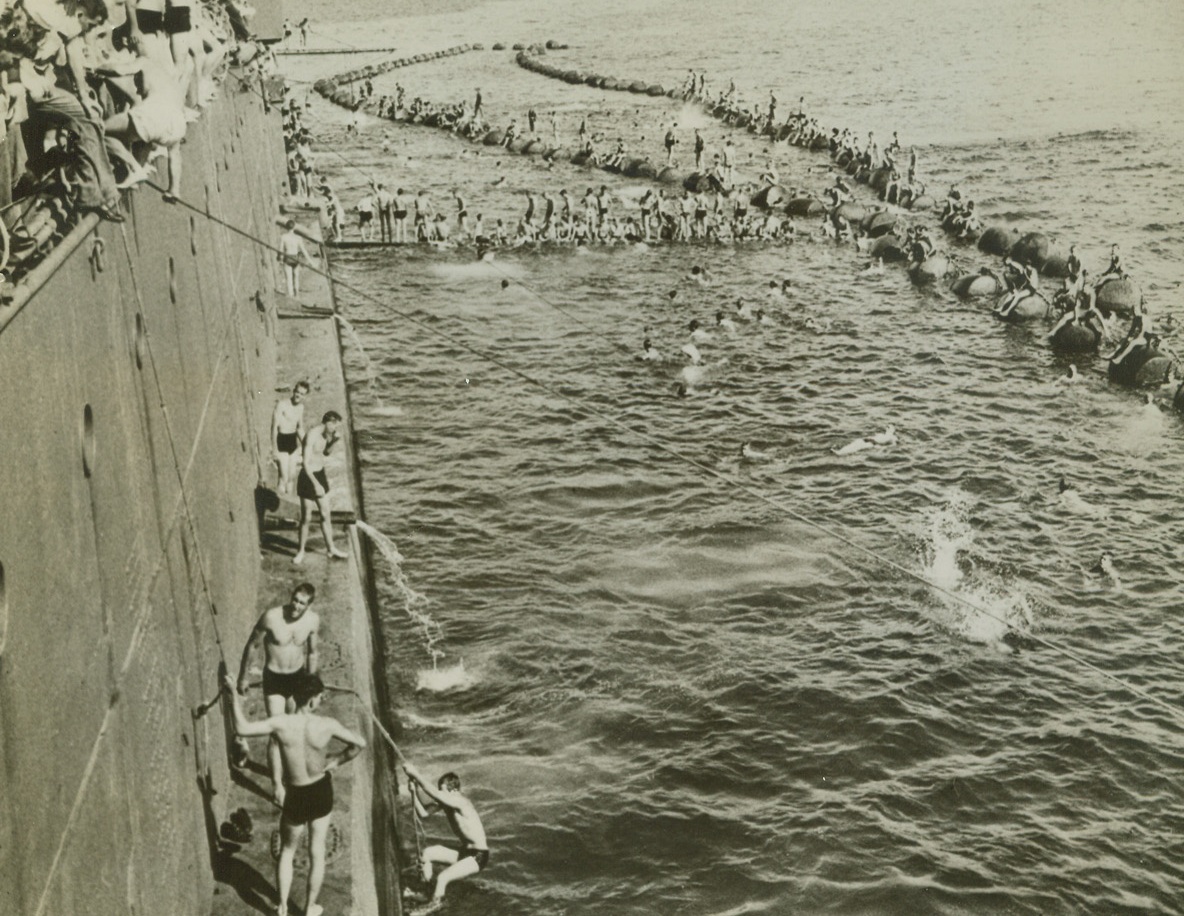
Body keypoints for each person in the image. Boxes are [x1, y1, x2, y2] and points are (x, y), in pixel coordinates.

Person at [225, 670, 365, 916]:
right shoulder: (326, 725)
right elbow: (359, 744)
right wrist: (337, 760)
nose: (321, 701)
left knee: (287, 851)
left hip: (296, 794)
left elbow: (242, 727)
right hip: (320, 790)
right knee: (317, 851)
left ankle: (281, 906)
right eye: (320, 697)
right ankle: (310, 907)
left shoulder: (281, 724)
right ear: (311, 699)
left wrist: (231, 697)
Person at [236, 582, 321, 800]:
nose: (296, 605)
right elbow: (253, 645)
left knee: (293, 730)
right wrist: (243, 677)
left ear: (309, 605)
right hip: (274, 679)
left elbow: (312, 652)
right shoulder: (272, 617)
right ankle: (277, 786)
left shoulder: (312, 621)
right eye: (294, 599)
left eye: (302, 603)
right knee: (276, 733)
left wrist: (311, 685)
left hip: (298, 678)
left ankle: (291, 773)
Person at [404, 762, 489, 911]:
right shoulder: (448, 802)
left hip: (478, 856)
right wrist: (415, 790)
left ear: (454, 789)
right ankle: (427, 893)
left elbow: (436, 795)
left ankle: (435, 905)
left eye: (442, 790)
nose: (440, 794)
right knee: (427, 854)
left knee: (443, 877)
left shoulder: (461, 801)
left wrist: (416, 773)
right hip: (465, 852)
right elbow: (423, 813)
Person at [294, 411, 350, 564]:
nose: (335, 429)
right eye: (335, 426)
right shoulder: (312, 435)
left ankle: (331, 548)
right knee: (306, 517)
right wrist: (316, 484)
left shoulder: (328, 434)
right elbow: (305, 464)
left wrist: (333, 441)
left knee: (326, 515)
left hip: (320, 474)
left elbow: (325, 453)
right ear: (328, 422)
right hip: (308, 477)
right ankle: (300, 551)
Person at [271, 381, 308, 494]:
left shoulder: (301, 407)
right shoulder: (282, 405)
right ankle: (278, 498)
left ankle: (286, 499)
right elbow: (274, 428)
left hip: (293, 443)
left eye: (301, 394)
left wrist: (308, 445)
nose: (298, 395)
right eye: (297, 392)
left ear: (304, 396)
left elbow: (299, 428)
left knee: (291, 478)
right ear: (293, 391)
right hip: (281, 442)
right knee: (284, 477)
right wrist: (274, 449)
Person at [278, 220, 315, 296]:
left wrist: (281, 260)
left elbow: (281, 250)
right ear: (294, 227)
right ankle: (297, 293)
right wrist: (311, 262)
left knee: (289, 279)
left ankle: (291, 295)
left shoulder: (283, 237)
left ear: (286, 227)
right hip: (295, 258)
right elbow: (304, 250)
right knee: (296, 276)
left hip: (288, 257)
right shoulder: (298, 238)